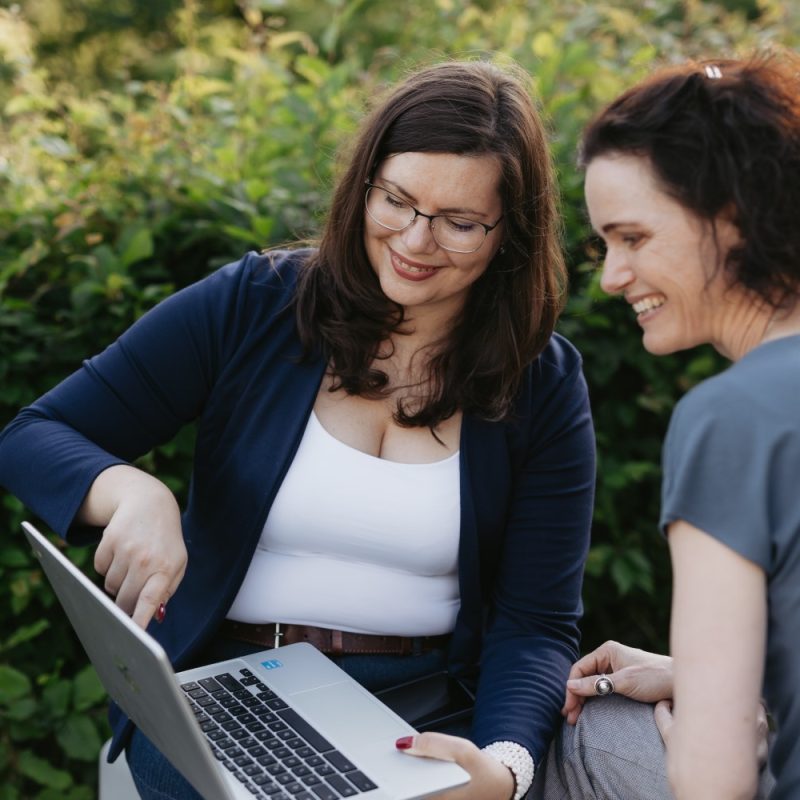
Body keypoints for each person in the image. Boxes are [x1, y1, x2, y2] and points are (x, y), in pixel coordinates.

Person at [0, 60, 596, 800]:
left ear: (510, 233)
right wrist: (130, 491)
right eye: (398, 201)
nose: (415, 240)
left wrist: (505, 767)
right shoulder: (257, 303)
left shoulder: (542, 380)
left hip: (420, 709)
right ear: (365, 187)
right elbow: (33, 433)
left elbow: (535, 623)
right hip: (221, 691)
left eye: (460, 222)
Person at [536, 52, 800, 800]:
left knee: (595, 731)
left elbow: (712, 783)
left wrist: (714, 729)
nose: (612, 276)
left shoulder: (731, 419)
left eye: (633, 238)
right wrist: (715, 678)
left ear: (732, 215)